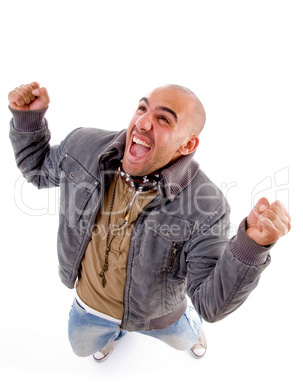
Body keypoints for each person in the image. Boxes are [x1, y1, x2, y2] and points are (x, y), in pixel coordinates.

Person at [8, 82, 291, 362]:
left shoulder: (208, 206)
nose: (142, 123)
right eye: (142, 108)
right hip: (90, 307)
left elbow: (210, 303)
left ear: (187, 144)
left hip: (159, 317)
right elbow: (38, 170)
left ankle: (191, 331)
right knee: (80, 347)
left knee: (184, 339)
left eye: (163, 119)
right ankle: (112, 334)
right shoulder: (83, 146)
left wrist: (250, 247)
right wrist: (28, 120)